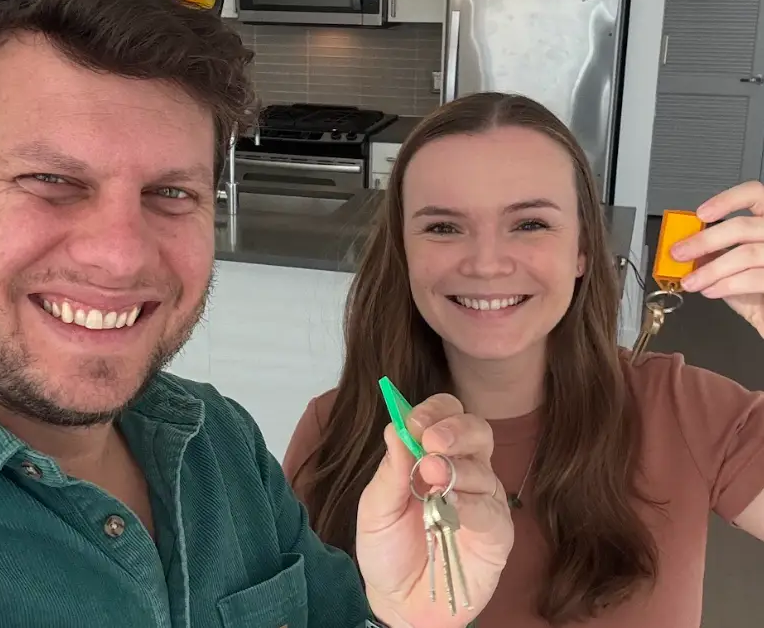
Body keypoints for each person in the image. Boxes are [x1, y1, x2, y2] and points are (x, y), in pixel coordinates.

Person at [0, 0, 514, 628]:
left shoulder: (219, 443)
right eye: (50, 180)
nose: (121, 256)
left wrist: (408, 618)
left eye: (172, 193)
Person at [283, 91, 764, 628]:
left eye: (530, 224)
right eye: (443, 227)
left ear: (582, 249)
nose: (487, 264)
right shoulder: (335, 431)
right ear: (404, 253)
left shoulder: (685, 408)